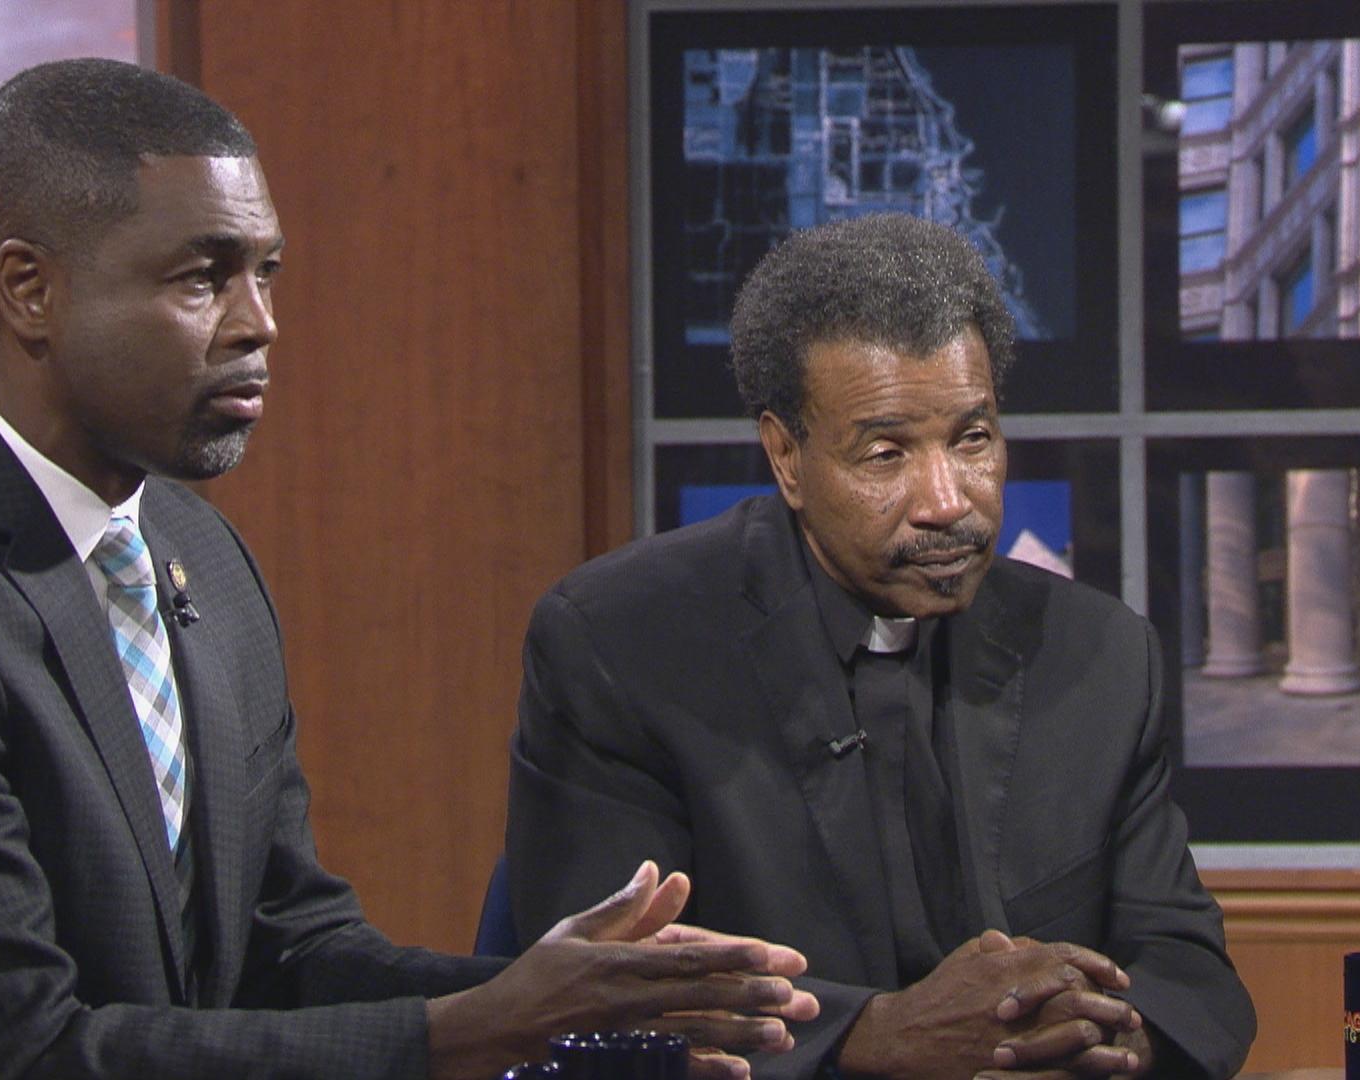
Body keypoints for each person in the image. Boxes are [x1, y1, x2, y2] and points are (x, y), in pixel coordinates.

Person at [0, 58, 820, 1080]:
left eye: (267, 272)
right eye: (204, 279)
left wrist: (565, 1003)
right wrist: (484, 1027)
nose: (262, 325)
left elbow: (287, 946)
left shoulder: (196, 553)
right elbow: (21, 1055)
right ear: (28, 290)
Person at [504, 214, 1256, 1079]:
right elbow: (600, 1006)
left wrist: (1110, 1038)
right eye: (887, 452)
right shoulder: (620, 644)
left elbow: (1190, 972)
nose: (947, 500)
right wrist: (872, 1040)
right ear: (786, 456)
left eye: (972, 440)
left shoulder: (1103, 658)